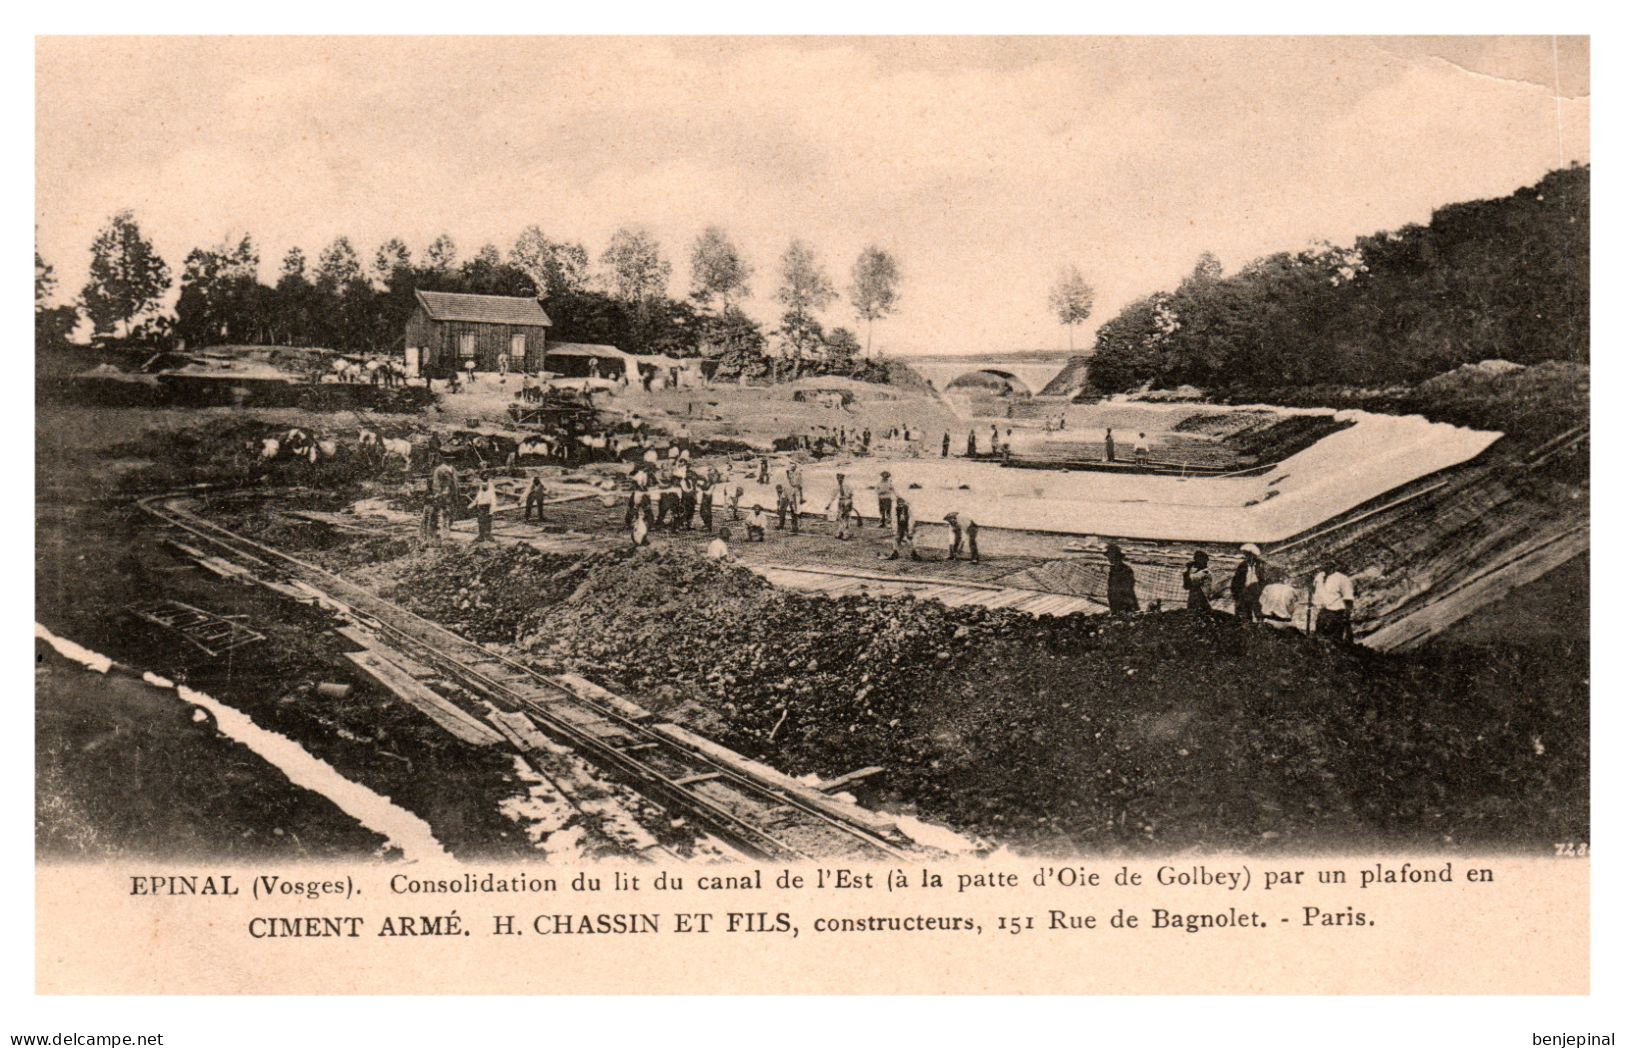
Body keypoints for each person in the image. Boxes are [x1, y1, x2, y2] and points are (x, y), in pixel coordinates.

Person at [1311, 558, 1357, 644]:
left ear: (1333, 565)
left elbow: (1348, 598)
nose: (1325, 566)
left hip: (1337, 613)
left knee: (1335, 641)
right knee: (1319, 640)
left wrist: (1346, 618)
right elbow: (1315, 591)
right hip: (1323, 613)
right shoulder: (1319, 577)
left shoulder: (1342, 578)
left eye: (1328, 564)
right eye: (1323, 564)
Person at [1230, 543, 1268, 622]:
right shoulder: (1242, 565)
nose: (1247, 557)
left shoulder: (1261, 565)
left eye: (1249, 554)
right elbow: (1236, 581)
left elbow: (1265, 580)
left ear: (1254, 555)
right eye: (1246, 555)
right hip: (1245, 593)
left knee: (1260, 615)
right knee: (1245, 617)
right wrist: (1237, 595)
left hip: (1258, 594)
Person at [1106, 543, 1139, 613]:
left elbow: (1128, 587)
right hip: (1114, 601)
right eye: (1108, 556)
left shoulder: (1126, 570)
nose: (1108, 558)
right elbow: (1110, 586)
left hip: (1125, 603)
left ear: (1116, 557)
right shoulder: (1112, 570)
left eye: (1110, 555)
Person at [430, 460, 459, 536]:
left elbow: (456, 483)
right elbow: (436, 484)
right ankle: (442, 534)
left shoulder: (453, 469)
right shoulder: (439, 469)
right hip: (443, 495)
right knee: (443, 514)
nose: (450, 459)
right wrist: (438, 494)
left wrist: (456, 493)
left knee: (450, 513)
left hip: (452, 494)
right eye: (448, 457)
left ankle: (447, 532)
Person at [888, 495, 921, 560]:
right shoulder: (895, 509)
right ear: (897, 504)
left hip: (906, 525)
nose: (901, 505)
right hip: (899, 526)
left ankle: (913, 552)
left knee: (909, 539)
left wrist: (910, 528)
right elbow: (894, 520)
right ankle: (895, 552)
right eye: (899, 503)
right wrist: (894, 529)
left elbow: (911, 518)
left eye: (902, 503)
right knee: (896, 538)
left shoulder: (908, 509)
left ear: (904, 503)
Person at [468, 476, 498, 542]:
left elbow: (493, 502)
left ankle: (488, 536)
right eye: (483, 486)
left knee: (488, 523)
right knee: (481, 522)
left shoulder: (491, 493)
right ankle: (481, 536)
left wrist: (491, 511)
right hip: (481, 508)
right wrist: (470, 506)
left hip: (487, 508)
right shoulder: (480, 492)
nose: (484, 487)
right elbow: (476, 500)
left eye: (485, 486)